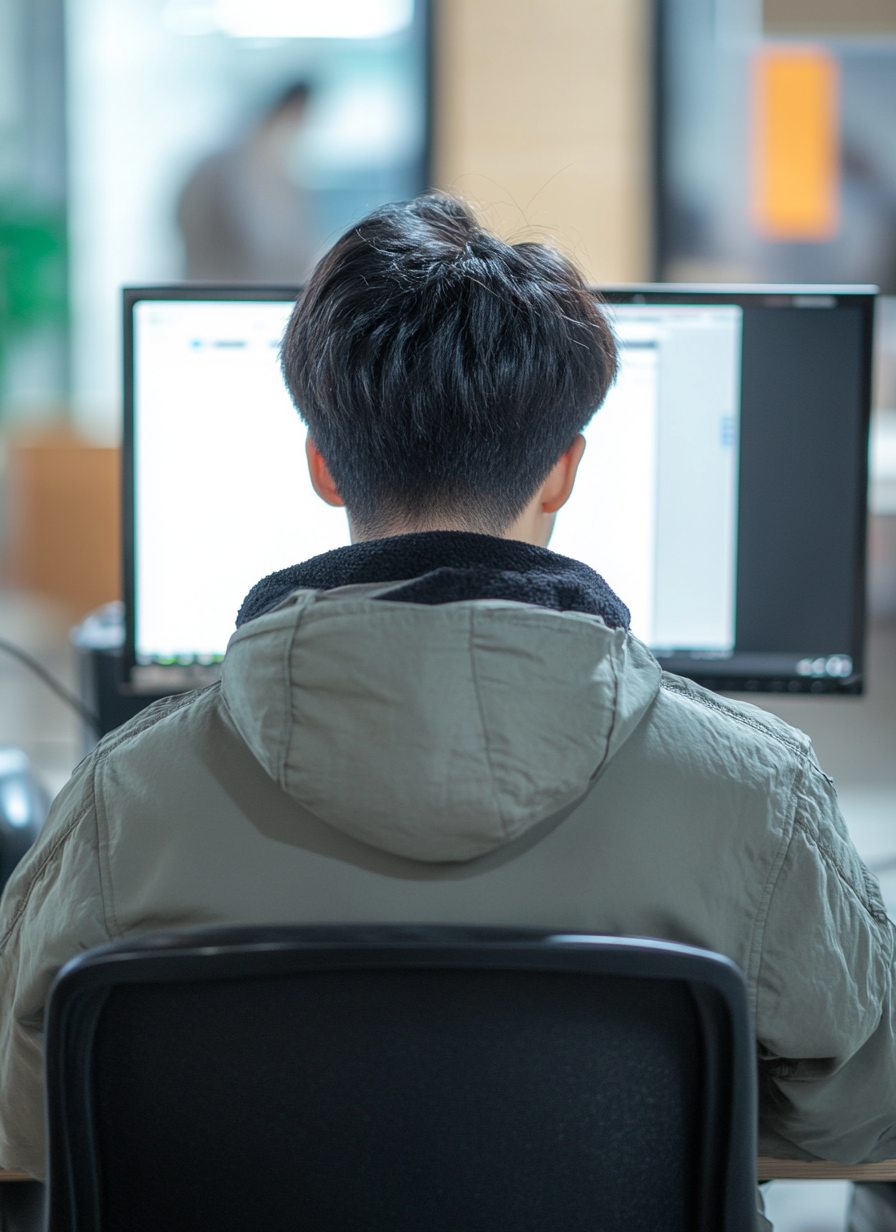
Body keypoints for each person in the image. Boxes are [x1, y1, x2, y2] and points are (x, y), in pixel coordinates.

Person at [0, 195, 895, 1231]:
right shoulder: (757, 796)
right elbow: (858, 1120)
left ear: (322, 464)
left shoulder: (125, 800)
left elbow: (27, 1126)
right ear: (564, 470)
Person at [177, 81, 315, 284]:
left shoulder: (268, 166)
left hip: (238, 289)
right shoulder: (233, 165)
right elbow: (266, 242)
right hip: (230, 290)